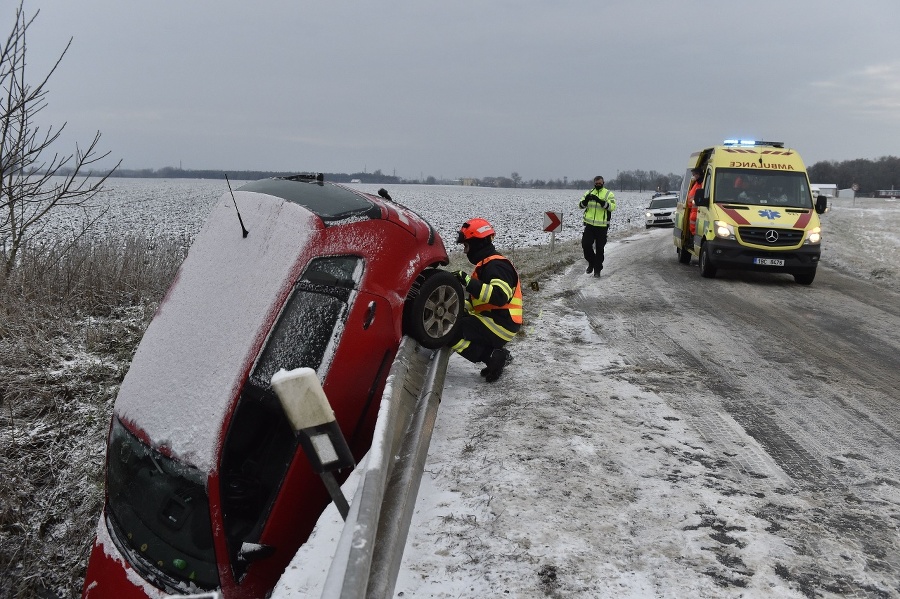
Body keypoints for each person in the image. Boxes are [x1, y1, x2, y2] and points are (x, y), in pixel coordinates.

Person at [449, 218, 523, 383]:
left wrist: (468, 282)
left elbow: (498, 296)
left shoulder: (497, 265)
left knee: (449, 330)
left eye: (466, 246)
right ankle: (495, 355)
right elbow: (479, 303)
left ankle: (491, 357)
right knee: (456, 321)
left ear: (478, 243)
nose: (465, 252)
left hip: (501, 323)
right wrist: (460, 307)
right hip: (496, 320)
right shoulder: (487, 265)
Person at [579, 176, 617, 277]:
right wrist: (586, 200)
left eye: (600, 183)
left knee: (600, 249)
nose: (598, 184)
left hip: (602, 226)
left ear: (603, 182)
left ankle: (597, 270)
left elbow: (612, 207)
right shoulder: (589, 192)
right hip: (590, 225)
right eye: (596, 183)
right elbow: (580, 205)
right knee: (586, 245)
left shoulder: (608, 193)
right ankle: (591, 262)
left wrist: (600, 201)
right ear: (594, 183)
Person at [686, 168, 703, 236]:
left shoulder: (702, 184)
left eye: (694, 174)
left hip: (699, 211)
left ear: (698, 174)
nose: (693, 176)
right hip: (693, 210)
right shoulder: (696, 184)